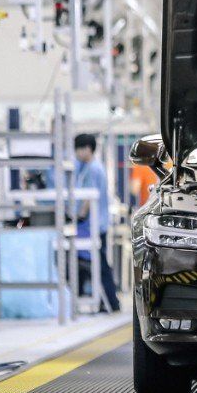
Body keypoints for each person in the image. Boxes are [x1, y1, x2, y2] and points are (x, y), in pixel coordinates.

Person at [73, 134, 121, 313]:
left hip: (95, 225)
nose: (76, 153)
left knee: (100, 265)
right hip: (96, 224)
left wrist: (78, 217)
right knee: (99, 264)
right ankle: (108, 301)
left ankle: (111, 302)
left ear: (87, 149)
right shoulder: (92, 167)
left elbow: (87, 198)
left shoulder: (93, 169)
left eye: (78, 149)